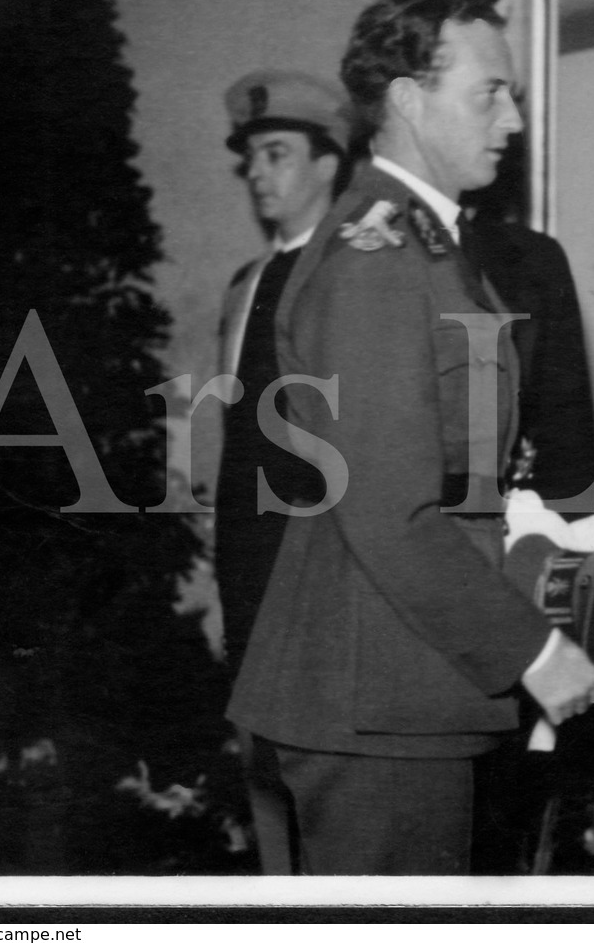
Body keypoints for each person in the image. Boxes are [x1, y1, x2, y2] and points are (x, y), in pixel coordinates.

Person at [226, 0, 594, 875]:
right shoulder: (377, 260)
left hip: (401, 683)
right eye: (490, 92)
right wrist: (533, 649)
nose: (512, 118)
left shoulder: (425, 244)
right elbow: (392, 509)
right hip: (376, 697)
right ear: (405, 98)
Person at [214, 68, 349, 874]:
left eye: (277, 153)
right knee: (264, 779)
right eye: (251, 159)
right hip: (249, 568)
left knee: (331, 790)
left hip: (325, 571)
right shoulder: (243, 288)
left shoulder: (355, 278)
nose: (259, 174)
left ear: (329, 160)